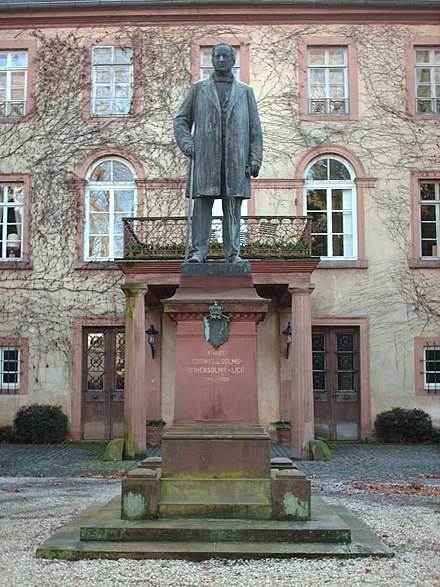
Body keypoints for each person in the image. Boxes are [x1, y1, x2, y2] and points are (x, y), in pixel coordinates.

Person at [174, 42, 263, 263]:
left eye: (226, 57)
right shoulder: (198, 89)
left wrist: (255, 159)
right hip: (205, 159)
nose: (221, 60)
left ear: (233, 61)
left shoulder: (245, 92)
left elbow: (255, 129)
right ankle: (199, 252)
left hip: (236, 160)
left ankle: (233, 254)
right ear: (212, 60)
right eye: (217, 56)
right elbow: (181, 121)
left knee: (232, 207)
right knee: (202, 207)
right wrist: (188, 145)